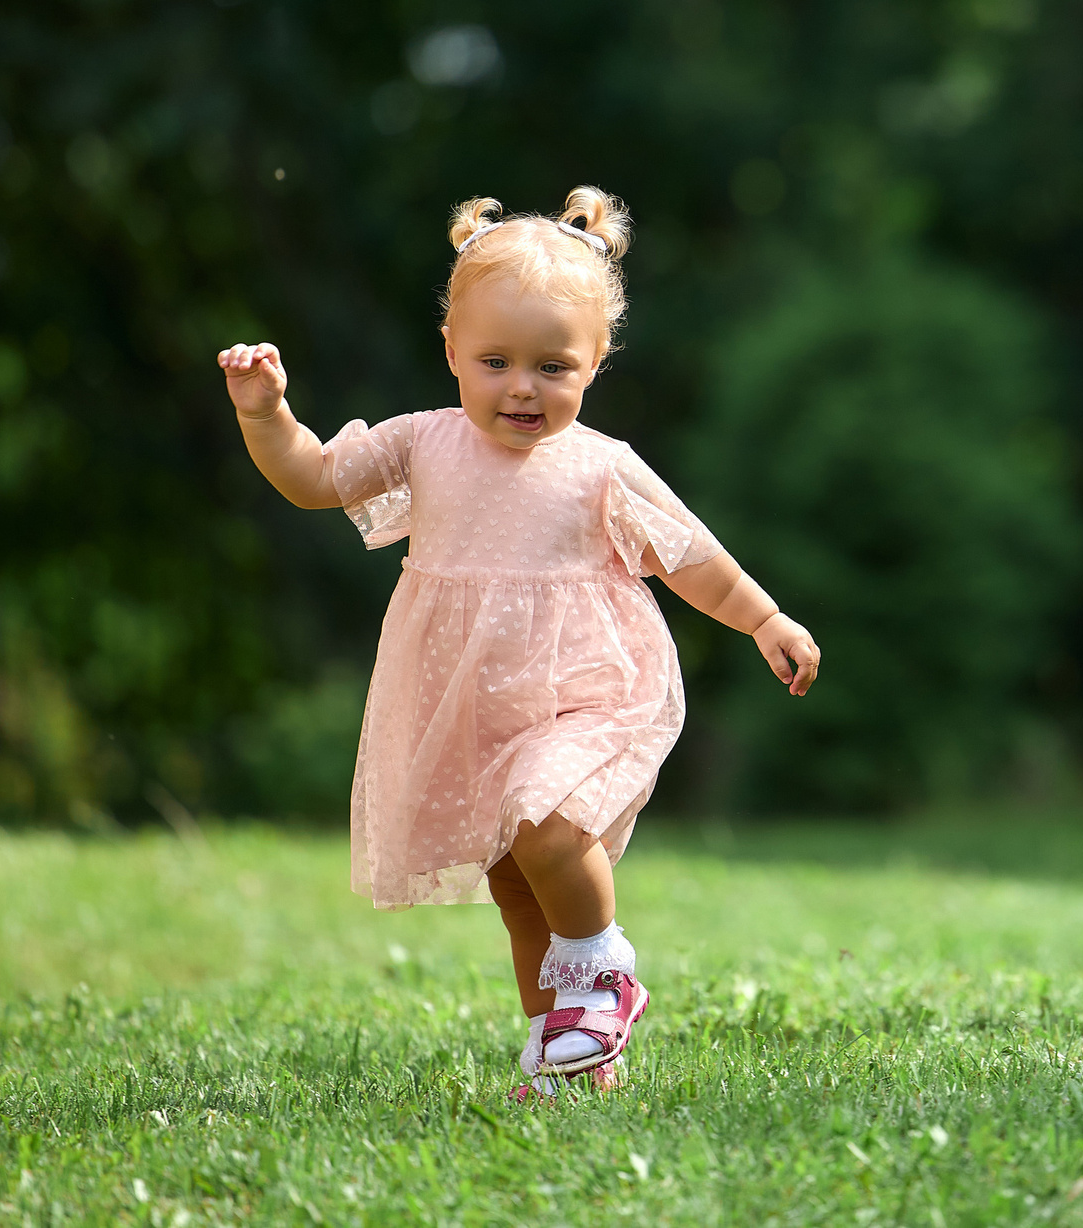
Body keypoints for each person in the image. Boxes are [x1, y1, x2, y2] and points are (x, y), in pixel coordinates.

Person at [217, 191, 821, 1093]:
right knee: (515, 885)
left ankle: (604, 975)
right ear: (452, 352)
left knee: (547, 827)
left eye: (552, 366)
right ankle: (564, 1052)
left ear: (595, 362)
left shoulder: (600, 465)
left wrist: (765, 619)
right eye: (495, 362)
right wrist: (265, 415)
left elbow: (692, 557)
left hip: (586, 692)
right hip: (475, 709)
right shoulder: (423, 444)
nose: (522, 387)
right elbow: (315, 479)